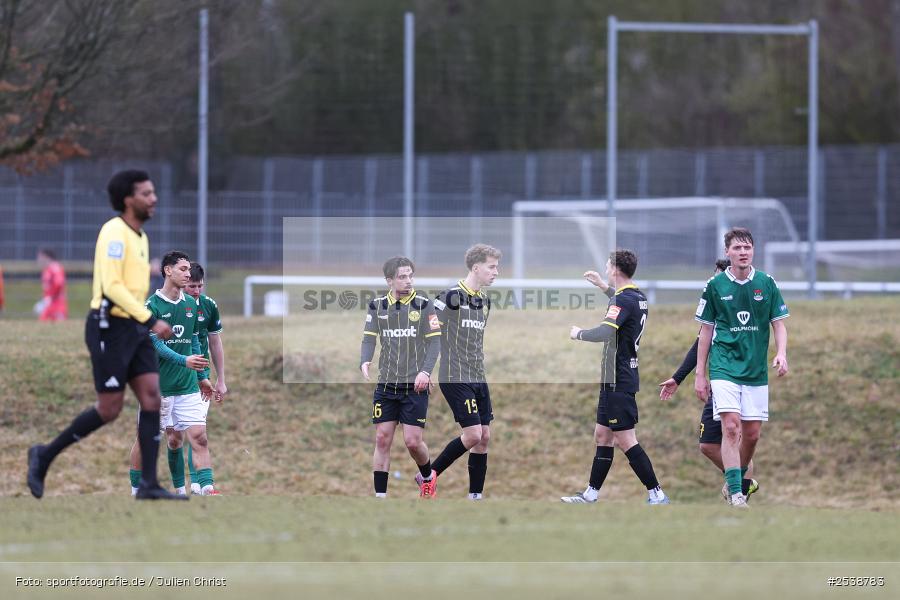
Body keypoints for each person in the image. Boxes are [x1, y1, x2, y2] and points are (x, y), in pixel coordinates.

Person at [27, 169, 184, 500]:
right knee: (109, 409)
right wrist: (150, 318)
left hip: (134, 327)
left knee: (152, 397)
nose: (153, 198)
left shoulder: (141, 238)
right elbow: (111, 287)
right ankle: (44, 455)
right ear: (129, 200)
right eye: (146, 193)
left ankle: (148, 485)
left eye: (154, 192)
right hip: (108, 326)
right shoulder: (114, 233)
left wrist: (143, 321)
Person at [561, 249, 669, 505]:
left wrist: (578, 333)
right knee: (602, 435)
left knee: (626, 439)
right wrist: (602, 286)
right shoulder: (637, 297)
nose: (606, 269)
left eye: (608, 266)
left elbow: (605, 332)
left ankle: (657, 494)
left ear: (616, 270)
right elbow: (623, 305)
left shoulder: (624, 300)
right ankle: (590, 494)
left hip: (619, 378)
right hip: (614, 378)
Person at [694, 227, 789, 508]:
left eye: (747, 247)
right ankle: (737, 496)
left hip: (756, 370)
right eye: (737, 248)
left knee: (752, 435)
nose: (743, 252)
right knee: (731, 427)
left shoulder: (766, 283)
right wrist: (701, 373)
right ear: (728, 252)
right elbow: (705, 333)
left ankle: (738, 482)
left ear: (753, 251)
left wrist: (782, 353)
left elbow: (779, 324)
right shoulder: (715, 286)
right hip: (724, 367)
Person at [658, 259, 759, 502]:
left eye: (719, 277)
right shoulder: (715, 308)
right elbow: (699, 345)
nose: (714, 282)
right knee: (708, 444)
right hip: (718, 383)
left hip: (740, 381)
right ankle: (740, 481)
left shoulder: (744, 307)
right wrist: (678, 378)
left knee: (738, 436)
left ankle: (739, 490)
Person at [128, 251, 216, 496]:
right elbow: (155, 344)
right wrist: (183, 360)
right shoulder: (152, 306)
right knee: (146, 442)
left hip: (187, 385)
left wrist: (202, 375)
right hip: (158, 386)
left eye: (189, 269)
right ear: (168, 270)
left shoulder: (190, 304)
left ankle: (207, 490)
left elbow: (194, 342)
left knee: (199, 437)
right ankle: (136, 490)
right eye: (183, 269)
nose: (188, 273)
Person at [418, 244, 500, 500]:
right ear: (476, 267)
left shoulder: (484, 301)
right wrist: (425, 370)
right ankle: (429, 474)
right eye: (492, 267)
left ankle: (475, 497)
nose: (496, 272)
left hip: (478, 375)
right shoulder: (450, 296)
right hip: (455, 375)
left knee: (484, 437)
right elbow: (430, 334)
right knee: (473, 434)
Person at [360, 256, 441, 498]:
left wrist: (425, 372)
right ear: (389, 281)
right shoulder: (377, 306)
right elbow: (369, 338)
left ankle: (427, 476)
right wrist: (364, 359)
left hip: (414, 386)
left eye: (410, 276)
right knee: (382, 439)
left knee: (413, 442)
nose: (408, 281)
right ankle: (380, 498)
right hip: (386, 385)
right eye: (402, 277)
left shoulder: (425, 304)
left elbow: (435, 342)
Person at [184, 262, 227, 495]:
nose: (197, 290)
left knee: (197, 430)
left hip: (201, 375)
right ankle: (181, 486)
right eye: (192, 285)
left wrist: (220, 378)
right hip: (176, 375)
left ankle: (202, 484)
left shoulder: (209, 306)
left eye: (200, 286)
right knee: (172, 438)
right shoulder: (175, 305)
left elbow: (215, 342)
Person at [36, 248, 68, 321]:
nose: (38, 260)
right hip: (49, 305)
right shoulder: (46, 270)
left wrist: (50, 297)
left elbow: (59, 284)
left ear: (46, 257)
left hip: (57, 305)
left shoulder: (55, 268)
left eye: (40, 257)